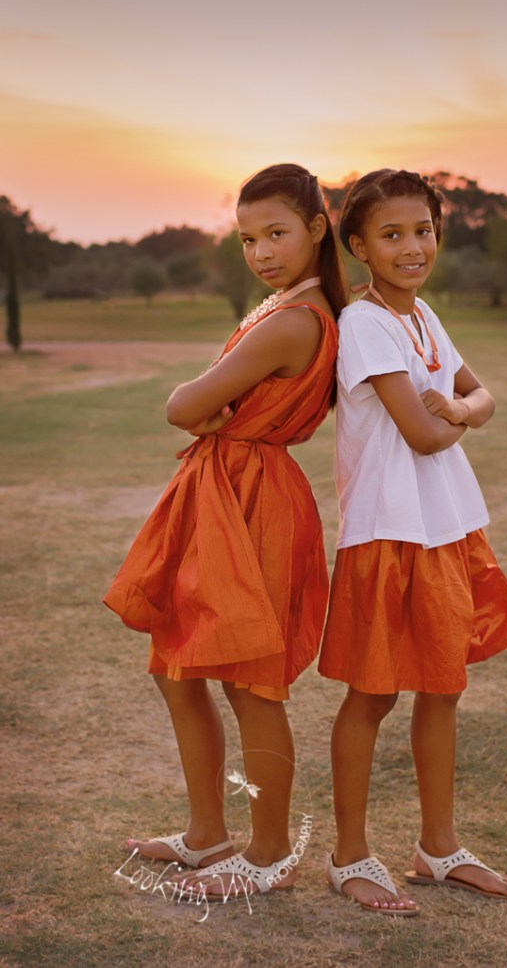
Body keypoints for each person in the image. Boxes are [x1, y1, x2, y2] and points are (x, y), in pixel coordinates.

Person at [104, 163, 344, 898]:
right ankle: (208, 835)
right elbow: (203, 408)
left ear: (316, 228)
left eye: (276, 233)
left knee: (252, 685)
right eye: (246, 238)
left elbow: (183, 405)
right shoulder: (277, 309)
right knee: (176, 669)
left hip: (256, 501)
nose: (262, 251)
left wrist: (203, 406)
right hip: (220, 492)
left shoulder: (299, 320)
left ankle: (270, 855)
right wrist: (210, 411)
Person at [318, 169, 507, 916]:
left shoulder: (423, 315)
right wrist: (462, 417)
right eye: (392, 235)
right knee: (373, 693)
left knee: (443, 687)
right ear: (358, 246)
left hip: (446, 527)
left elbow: (484, 393)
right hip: (387, 530)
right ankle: (349, 856)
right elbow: (421, 431)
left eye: (424, 231)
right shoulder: (365, 323)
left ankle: (437, 850)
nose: (413, 248)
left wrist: (465, 409)